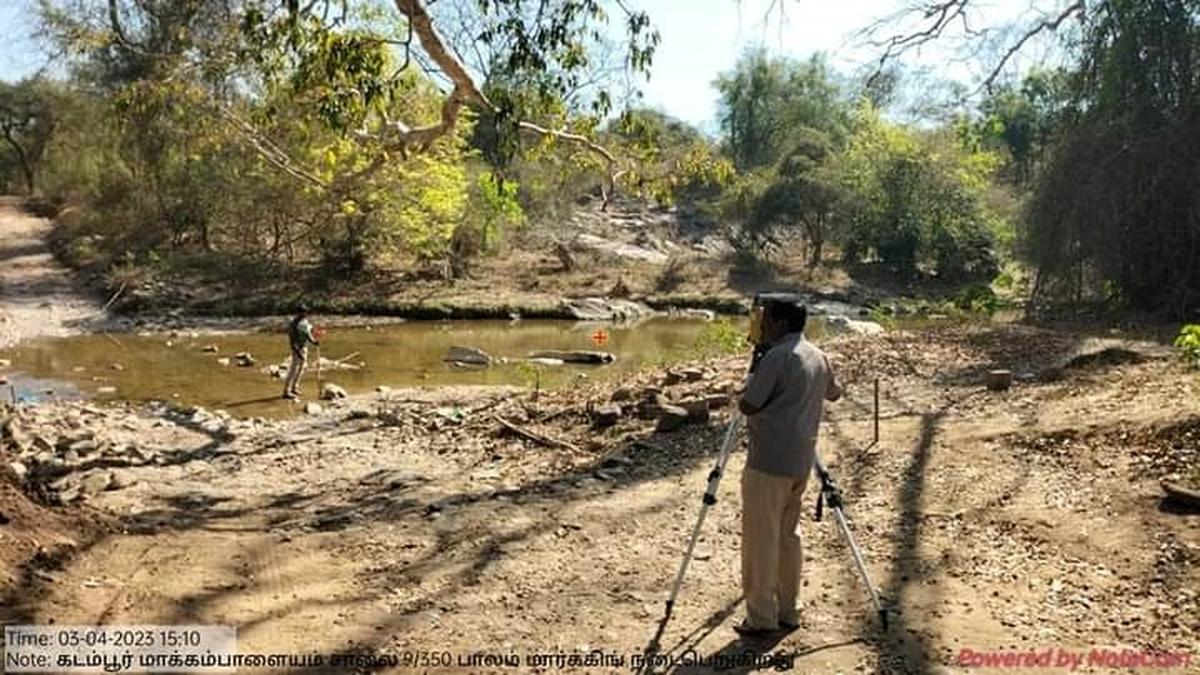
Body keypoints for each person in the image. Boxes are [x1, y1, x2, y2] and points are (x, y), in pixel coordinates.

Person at [734, 299, 841, 637]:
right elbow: (835, 393)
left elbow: (749, 404)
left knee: (761, 540)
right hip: (800, 460)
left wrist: (746, 383)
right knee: (788, 537)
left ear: (780, 323)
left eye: (765, 320)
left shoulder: (777, 357)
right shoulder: (818, 355)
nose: (761, 326)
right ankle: (789, 610)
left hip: (768, 461)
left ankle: (761, 617)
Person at [282, 305, 320, 400]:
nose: (304, 314)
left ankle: (295, 388)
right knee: (293, 369)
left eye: (305, 313)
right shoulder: (294, 324)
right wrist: (297, 352)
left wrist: (313, 341)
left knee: (302, 368)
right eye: (302, 313)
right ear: (298, 313)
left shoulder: (305, 321)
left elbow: (308, 333)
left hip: (304, 347)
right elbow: (292, 340)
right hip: (297, 349)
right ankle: (286, 391)